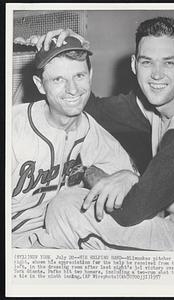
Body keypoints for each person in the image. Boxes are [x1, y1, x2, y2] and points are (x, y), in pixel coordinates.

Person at [17, 16, 174, 251]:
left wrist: (120, 176)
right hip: (169, 224)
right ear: (134, 64)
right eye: (147, 62)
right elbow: (85, 108)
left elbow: (132, 210)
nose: (157, 74)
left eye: (169, 63)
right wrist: (68, 50)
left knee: (68, 207)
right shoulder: (154, 105)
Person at [12, 36, 137, 248]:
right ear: (40, 85)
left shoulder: (89, 129)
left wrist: (128, 176)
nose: (72, 89)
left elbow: (131, 176)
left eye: (79, 76)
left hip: (60, 233)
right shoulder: (14, 128)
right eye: (58, 79)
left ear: (90, 75)